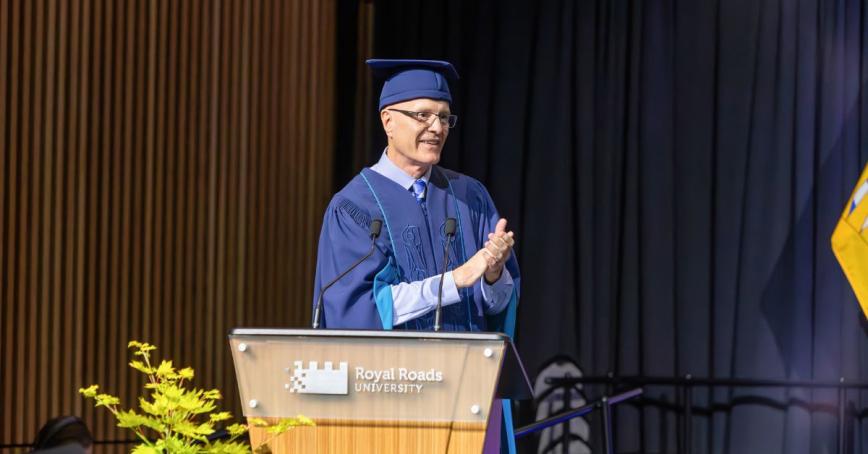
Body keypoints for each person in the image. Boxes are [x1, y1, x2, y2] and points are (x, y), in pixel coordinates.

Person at [312, 59, 520, 333]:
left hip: (466, 371)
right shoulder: (353, 208)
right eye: (423, 115)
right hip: (391, 373)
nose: (437, 128)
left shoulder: (470, 199)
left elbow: (499, 309)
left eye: (444, 117)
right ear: (388, 121)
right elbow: (357, 310)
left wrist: (493, 276)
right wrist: (455, 281)